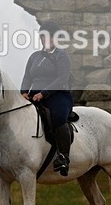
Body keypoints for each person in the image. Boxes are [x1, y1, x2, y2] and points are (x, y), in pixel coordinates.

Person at [20, 21, 74, 176]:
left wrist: (44, 93)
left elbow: (62, 79)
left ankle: (63, 157)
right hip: (34, 95)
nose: (43, 38)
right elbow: (27, 76)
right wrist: (24, 91)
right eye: (41, 35)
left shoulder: (62, 55)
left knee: (57, 117)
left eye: (46, 35)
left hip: (58, 95)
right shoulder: (34, 56)